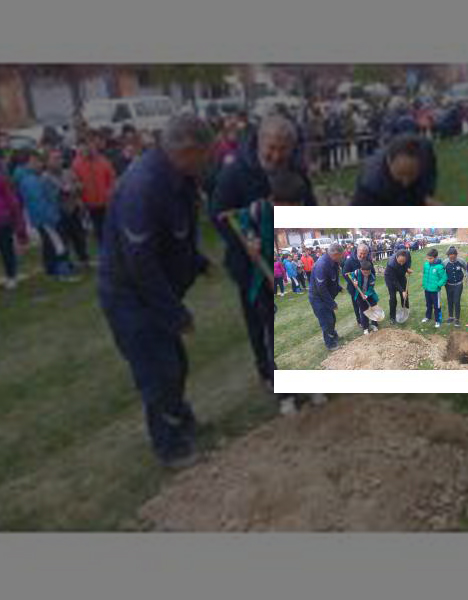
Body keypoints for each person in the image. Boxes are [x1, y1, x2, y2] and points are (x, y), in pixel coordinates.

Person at [97, 114, 213, 469]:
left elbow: (175, 234)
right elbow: (141, 265)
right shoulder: (143, 186)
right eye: (203, 154)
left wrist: (196, 262)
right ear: (188, 150)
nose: (206, 161)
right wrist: (174, 314)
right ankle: (170, 447)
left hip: (152, 291)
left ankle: (182, 421)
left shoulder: (179, 178)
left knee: (175, 364)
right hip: (130, 296)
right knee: (157, 370)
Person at [212, 115, 315, 391]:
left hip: (287, 257)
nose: (277, 155)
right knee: (259, 318)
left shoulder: (294, 169)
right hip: (249, 262)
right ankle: (268, 372)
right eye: (272, 147)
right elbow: (219, 214)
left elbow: (308, 203)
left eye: (283, 149)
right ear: (259, 141)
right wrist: (245, 241)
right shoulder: (234, 172)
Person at [16, 151, 78, 281]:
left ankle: (51, 270)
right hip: (46, 219)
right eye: (37, 161)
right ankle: (63, 273)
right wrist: (52, 217)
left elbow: (46, 196)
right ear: (29, 162)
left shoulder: (31, 178)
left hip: (45, 217)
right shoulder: (30, 180)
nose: (40, 164)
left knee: (49, 245)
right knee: (58, 245)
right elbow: (38, 202)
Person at [352, 133, 437, 206]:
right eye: (400, 174)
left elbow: (425, 190)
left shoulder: (426, 154)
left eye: (411, 174)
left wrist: (425, 197)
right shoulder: (369, 185)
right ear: (389, 162)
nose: (405, 182)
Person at [42, 147, 90, 269]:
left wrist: (73, 188)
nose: (59, 161)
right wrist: (68, 189)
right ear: (47, 161)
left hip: (74, 210)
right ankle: (67, 264)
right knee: (63, 241)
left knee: (79, 236)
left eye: (60, 158)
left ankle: (84, 259)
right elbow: (57, 194)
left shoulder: (68, 172)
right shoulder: (45, 177)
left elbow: (80, 185)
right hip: (59, 213)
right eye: (55, 159)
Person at [71, 130, 116, 252]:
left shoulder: (104, 161)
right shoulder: (77, 164)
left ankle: (111, 250)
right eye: (86, 145)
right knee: (97, 230)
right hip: (89, 204)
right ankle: (104, 251)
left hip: (105, 202)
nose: (89, 148)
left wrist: (110, 193)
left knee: (109, 229)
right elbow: (75, 182)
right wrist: (79, 197)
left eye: (91, 145)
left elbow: (111, 179)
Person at [308, 243, 344, 350]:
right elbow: (321, 289)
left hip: (324, 296)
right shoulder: (322, 265)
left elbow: (331, 280)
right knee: (326, 320)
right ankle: (330, 344)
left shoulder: (333, 262)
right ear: (335, 254)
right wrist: (332, 304)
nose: (341, 257)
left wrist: (338, 288)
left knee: (332, 318)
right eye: (341, 255)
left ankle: (333, 336)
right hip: (318, 298)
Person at [0, 170, 27, 290]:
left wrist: (16, 217)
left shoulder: (1, 179)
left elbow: (10, 198)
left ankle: (12, 276)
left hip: (3, 220)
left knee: (6, 249)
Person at [343, 243, 375, 327]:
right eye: (361, 253)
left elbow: (372, 272)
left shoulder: (368, 260)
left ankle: (371, 320)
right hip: (354, 288)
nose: (362, 255)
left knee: (368, 303)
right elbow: (344, 273)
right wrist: (353, 282)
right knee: (357, 305)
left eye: (364, 253)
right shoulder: (349, 261)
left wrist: (371, 281)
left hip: (366, 286)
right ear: (357, 251)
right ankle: (360, 321)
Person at [347, 259, 380, 335]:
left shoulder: (372, 277)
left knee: (373, 309)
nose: (366, 274)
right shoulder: (356, 272)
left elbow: (371, 288)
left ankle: (374, 324)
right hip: (359, 295)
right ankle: (365, 327)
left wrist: (366, 295)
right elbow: (351, 275)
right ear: (361, 269)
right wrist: (354, 281)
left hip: (369, 294)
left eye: (368, 273)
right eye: (365, 273)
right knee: (363, 311)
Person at [384, 248, 412, 324]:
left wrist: (407, 268)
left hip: (401, 276)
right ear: (396, 257)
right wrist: (402, 290)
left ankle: (406, 311)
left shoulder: (407, 254)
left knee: (405, 296)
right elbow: (394, 281)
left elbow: (408, 262)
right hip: (391, 279)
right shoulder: (391, 264)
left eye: (403, 261)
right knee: (393, 298)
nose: (401, 263)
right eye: (400, 261)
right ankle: (392, 317)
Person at [421, 247, 447, 328]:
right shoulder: (426, 265)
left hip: (435, 291)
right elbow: (425, 274)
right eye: (428, 258)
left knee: (437, 306)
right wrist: (424, 284)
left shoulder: (439, 267)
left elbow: (444, 278)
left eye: (431, 258)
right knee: (428, 304)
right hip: (427, 289)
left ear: (435, 257)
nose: (429, 260)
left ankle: (438, 320)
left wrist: (438, 285)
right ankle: (428, 316)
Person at [443, 246, 467, 326]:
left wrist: (466, 275)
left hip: (458, 285)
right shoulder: (445, 263)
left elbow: (467, 268)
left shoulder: (461, 261)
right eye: (450, 255)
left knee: (456, 301)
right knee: (450, 301)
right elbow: (441, 272)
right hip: (448, 285)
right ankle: (450, 317)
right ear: (448, 255)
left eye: (454, 255)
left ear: (456, 255)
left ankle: (457, 318)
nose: (452, 257)